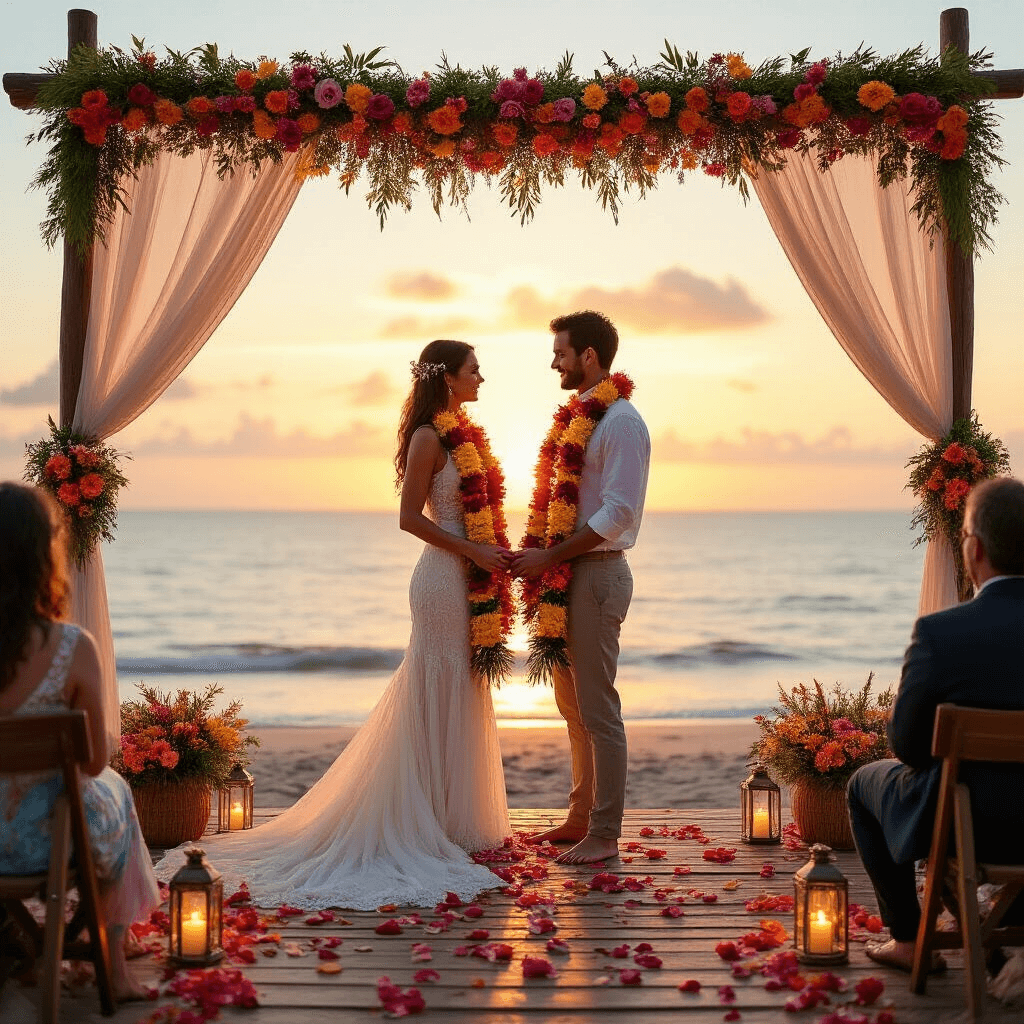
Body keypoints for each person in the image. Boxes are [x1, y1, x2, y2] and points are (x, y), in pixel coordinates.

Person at [154, 340, 511, 909]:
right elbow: (407, 518)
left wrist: (489, 554)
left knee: (462, 685)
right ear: (448, 378)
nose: (482, 378)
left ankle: (450, 817)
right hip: (443, 581)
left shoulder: (465, 436)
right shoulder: (428, 438)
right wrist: (473, 552)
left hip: (471, 577)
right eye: (474, 370)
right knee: (436, 682)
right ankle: (425, 818)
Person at [847, 476, 1024, 973]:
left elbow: (906, 746)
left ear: (975, 549)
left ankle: (907, 939)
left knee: (865, 782)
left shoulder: (942, 633)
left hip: (972, 828)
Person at [0, 483, 160, 1001]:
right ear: (43, 556)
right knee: (112, 794)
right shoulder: (70, 646)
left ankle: (18, 947)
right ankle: (112, 965)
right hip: (47, 841)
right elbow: (91, 762)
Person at [512, 311, 650, 865]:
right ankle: (579, 816)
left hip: (596, 575)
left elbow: (617, 513)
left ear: (589, 355)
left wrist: (550, 556)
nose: (555, 363)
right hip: (568, 574)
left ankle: (605, 832)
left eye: (561, 353)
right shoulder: (578, 420)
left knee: (598, 710)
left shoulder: (620, 422)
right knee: (571, 707)